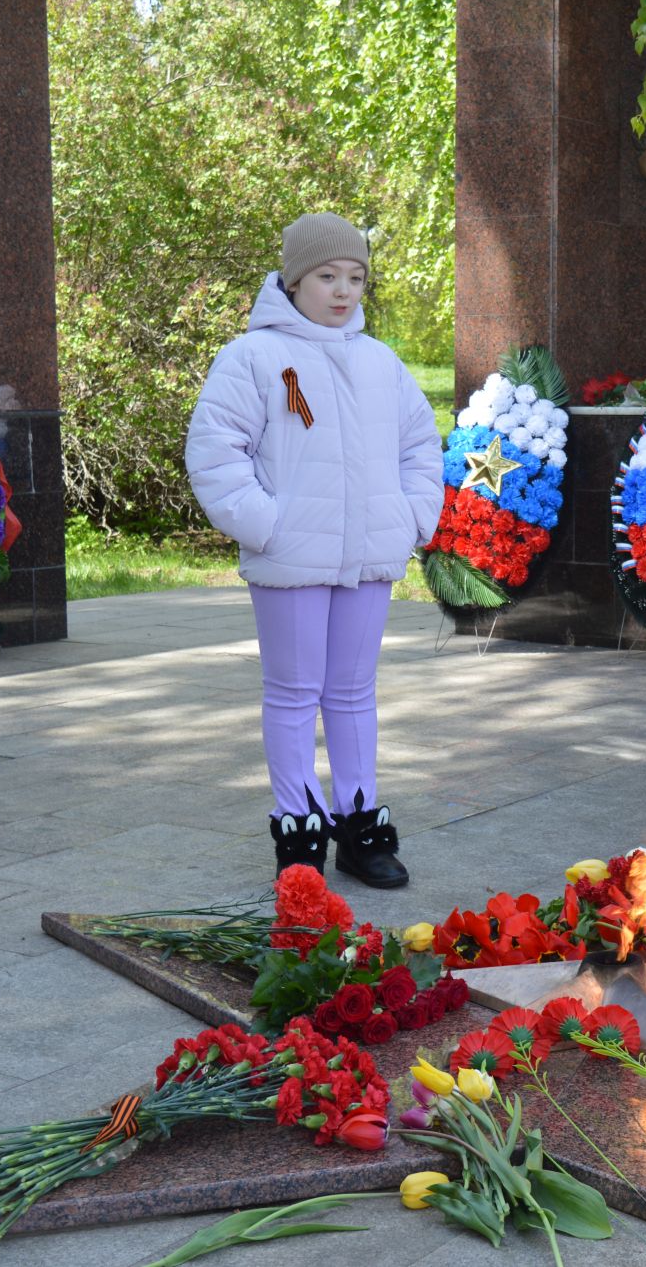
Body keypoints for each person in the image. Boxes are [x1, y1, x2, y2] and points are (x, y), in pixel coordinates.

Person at [185, 213, 442, 886]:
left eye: (355, 277)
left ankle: (360, 828)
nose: (342, 291)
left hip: (369, 558)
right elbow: (215, 453)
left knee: (354, 692)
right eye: (327, 276)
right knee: (295, 693)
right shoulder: (254, 358)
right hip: (291, 563)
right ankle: (299, 838)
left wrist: (413, 515)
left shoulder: (380, 362)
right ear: (294, 278)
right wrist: (267, 525)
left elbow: (420, 444)